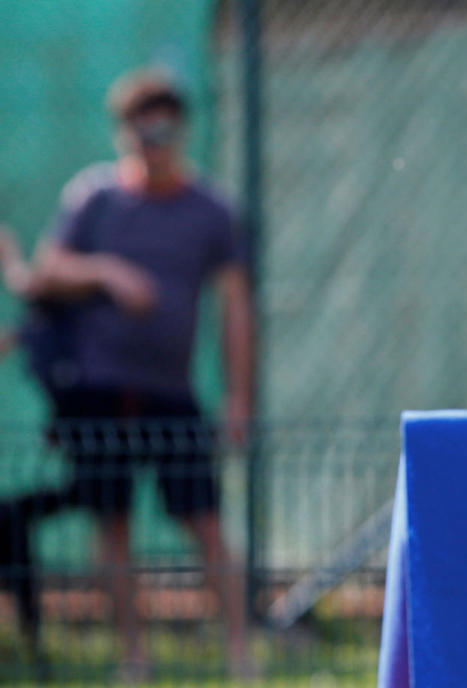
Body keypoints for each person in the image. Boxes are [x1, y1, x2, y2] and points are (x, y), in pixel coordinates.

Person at [24, 68, 256, 679]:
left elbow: (235, 306)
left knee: (205, 521)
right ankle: (134, 658)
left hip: (171, 394)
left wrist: (237, 397)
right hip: (97, 392)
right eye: (140, 127)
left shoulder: (211, 210)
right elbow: (45, 270)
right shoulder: (93, 199)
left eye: (164, 125)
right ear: (123, 131)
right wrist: (105, 272)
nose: (153, 138)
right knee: (113, 525)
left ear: (181, 129)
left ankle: (241, 654)